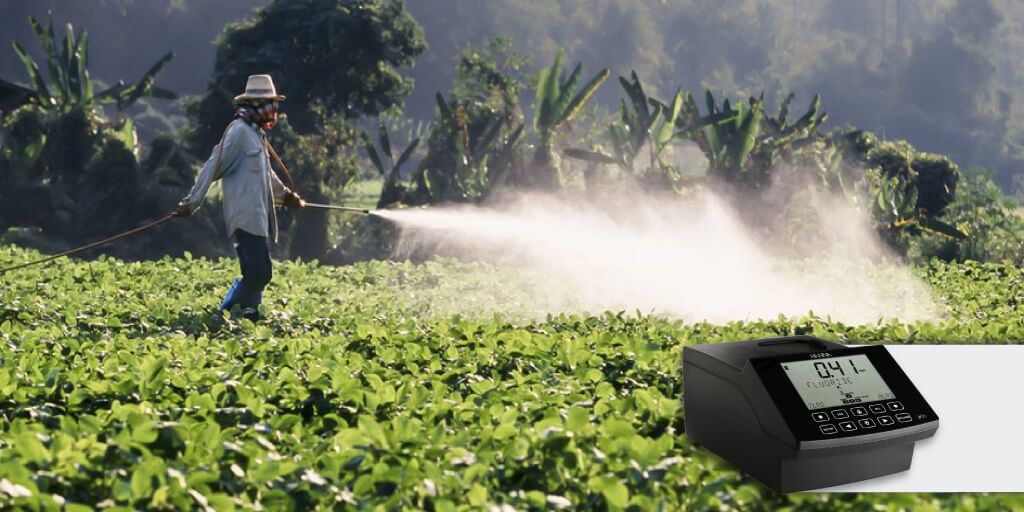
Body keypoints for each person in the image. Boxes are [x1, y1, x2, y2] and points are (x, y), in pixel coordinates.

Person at [176, 74, 304, 320]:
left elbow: (266, 176)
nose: (273, 109)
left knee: (253, 272)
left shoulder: (255, 133)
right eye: (269, 103)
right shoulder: (238, 132)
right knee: (261, 272)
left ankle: (249, 315)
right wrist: (191, 203)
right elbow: (212, 166)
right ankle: (224, 314)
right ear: (256, 104)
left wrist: (287, 197)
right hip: (244, 216)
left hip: (258, 216)